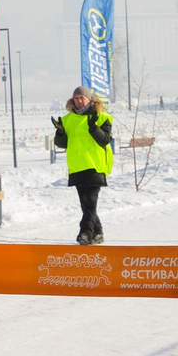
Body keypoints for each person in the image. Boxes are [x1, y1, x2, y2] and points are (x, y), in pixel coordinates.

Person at [52, 87, 115, 244]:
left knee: (90, 201)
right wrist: (60, 132)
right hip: (77, 166)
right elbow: (62, 144)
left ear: (89, 99)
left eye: (82, 98)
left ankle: (85, 233)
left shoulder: (101, 117)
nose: (79, 101)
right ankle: (98, 233)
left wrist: (93, 128)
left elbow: (105, 139)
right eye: (76, 98)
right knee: (86, 204)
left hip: (95, 166)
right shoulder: (67, 120)